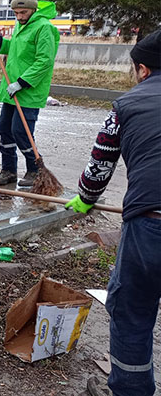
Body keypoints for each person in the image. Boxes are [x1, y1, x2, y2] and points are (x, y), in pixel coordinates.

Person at [66, 30, 161, 396]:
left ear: (142, 70)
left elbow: (100, 164)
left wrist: (86, 198)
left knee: (132, 310)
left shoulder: (126, 106)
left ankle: (130, 391)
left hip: (152, 225)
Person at [0, 0, 60, 187]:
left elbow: (44, 61)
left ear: (33, 10)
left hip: (28, 90)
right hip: (11, 89)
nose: (19, 17)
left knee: (21, 131)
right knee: (4, 129)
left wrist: (22, 82)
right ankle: (9, 170)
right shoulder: (20, 25)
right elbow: (14, 48)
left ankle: (35, 170)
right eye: (16, 13)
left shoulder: (44, 28)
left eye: (23, 12)